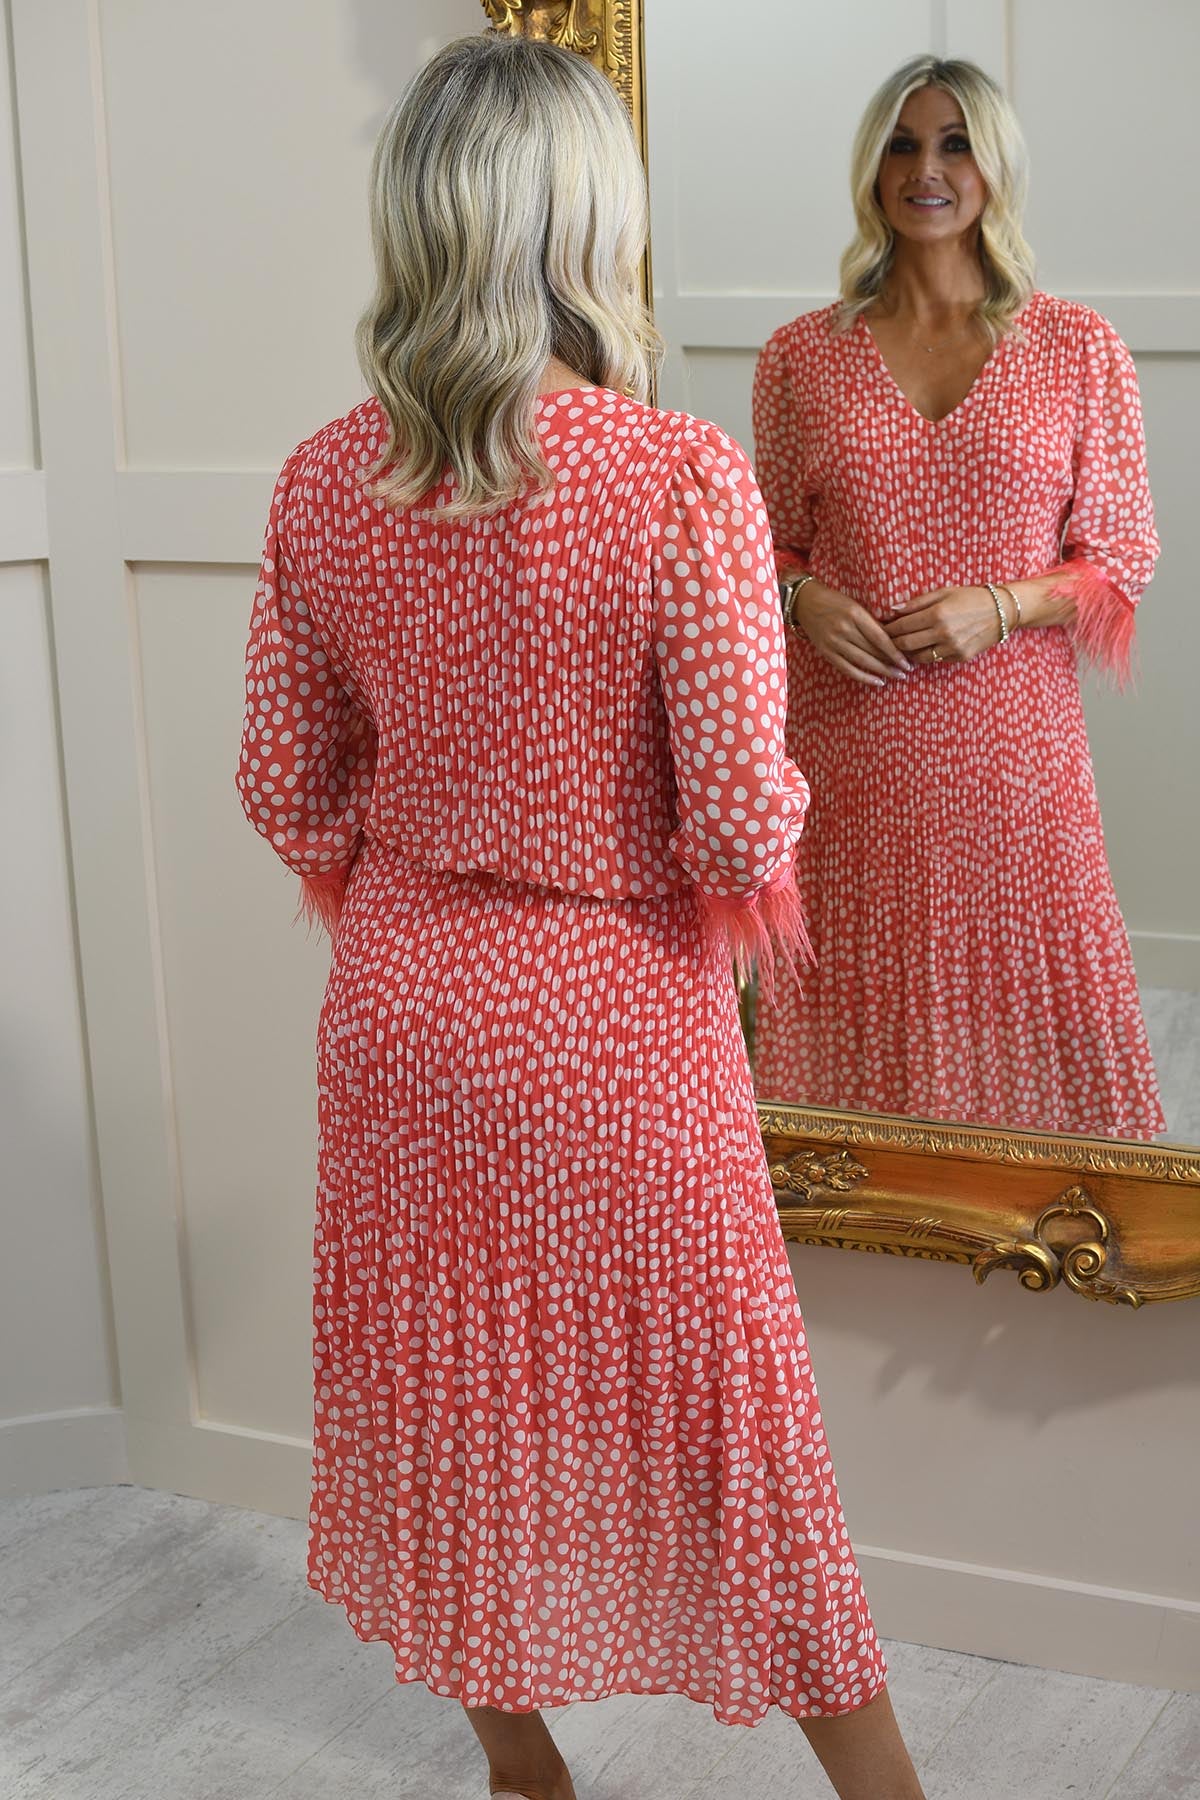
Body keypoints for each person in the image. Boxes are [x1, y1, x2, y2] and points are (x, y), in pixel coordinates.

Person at [236, 32, 926, 1800]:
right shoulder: (674, 473)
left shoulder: (321, 479)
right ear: (588, 221)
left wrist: (435, 857)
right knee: (735, 1435)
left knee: (447, 1408)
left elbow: (287, 789)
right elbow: (738, 819)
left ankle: (524, 1773)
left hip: (402, 1018)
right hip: (618, 1026)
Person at [752, 54, 1164, 1139]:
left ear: (994, 166)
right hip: (849, 748)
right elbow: (765, 546)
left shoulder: (1078, 348)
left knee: (1039, 1015)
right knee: (849, 1022)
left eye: (953, 144)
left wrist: (1002, 605)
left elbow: (1121, 554)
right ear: (870, 168)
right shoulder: (799, 358)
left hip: (1017, 757)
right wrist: (803, 600)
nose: (924, 170)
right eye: (901, 145)